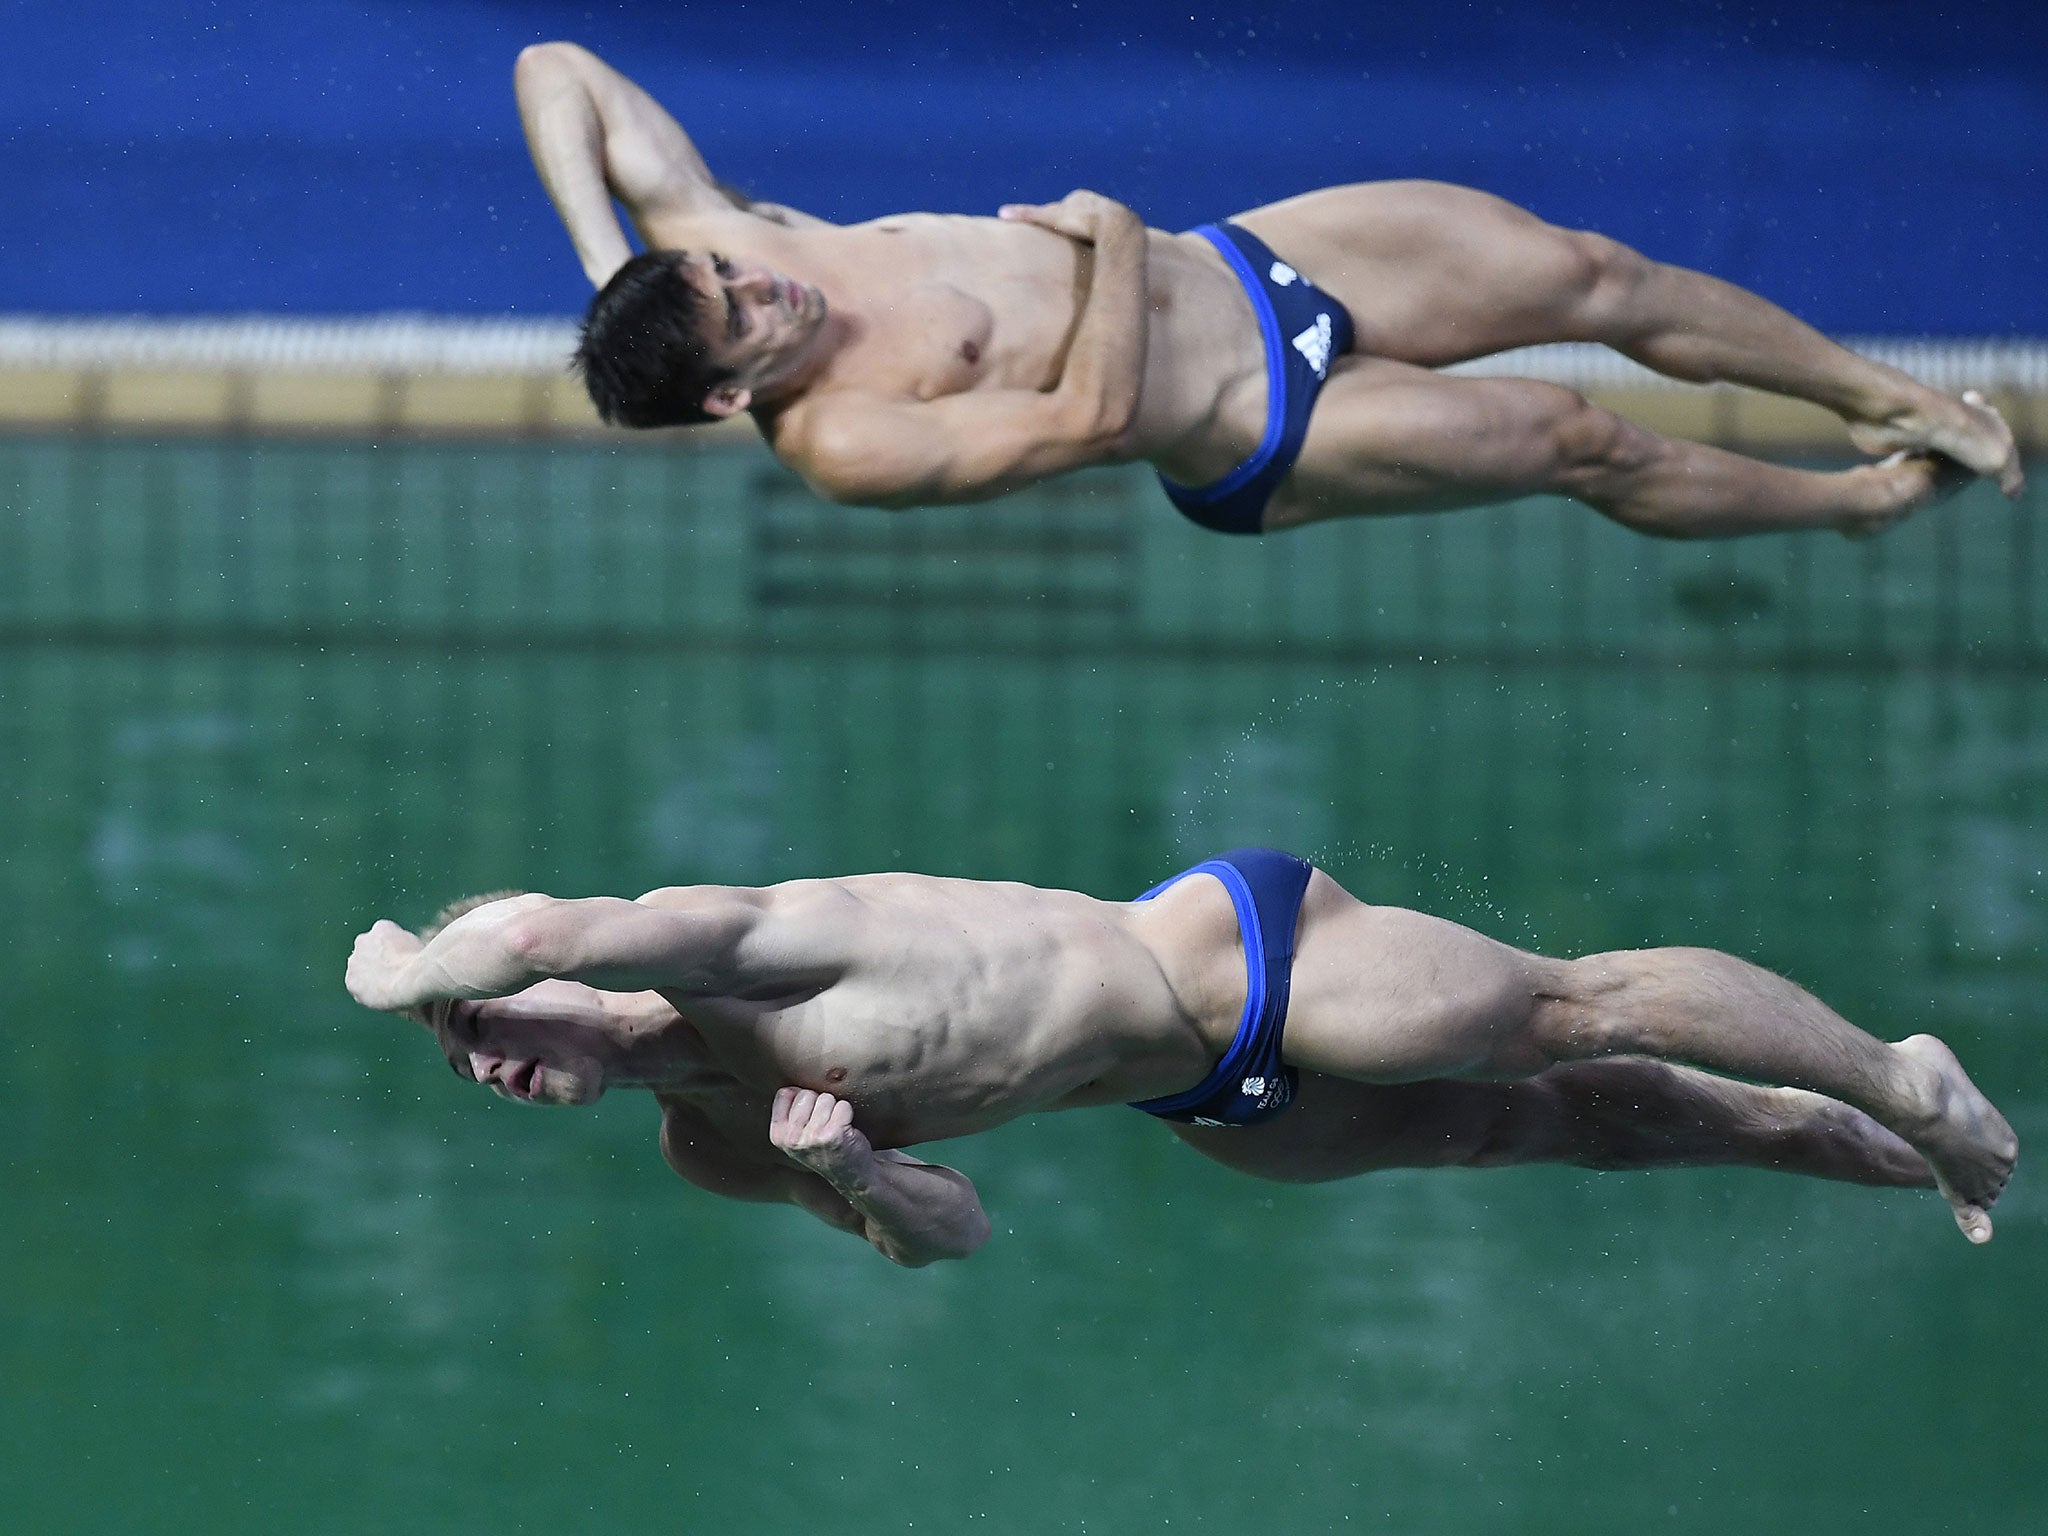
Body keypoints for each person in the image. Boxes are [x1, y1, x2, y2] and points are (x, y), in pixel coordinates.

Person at [516, 42, 2023, 541]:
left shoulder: (726, 237)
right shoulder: (849, 444)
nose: (763, 279)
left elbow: (557, 69)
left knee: (1595, 275)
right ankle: (1859, 506)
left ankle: (1889, 398)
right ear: (730, 397)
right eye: (741, 315)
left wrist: (614, 265)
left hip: (1255, 256)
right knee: (1580, 439)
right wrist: (1111, 237)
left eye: (723, 266)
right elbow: (1098, 419)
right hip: (1262, 423)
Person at [344, 848, 2016, 1267]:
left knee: (1565, 1016)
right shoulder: (710, 1141)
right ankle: (1856, 1148)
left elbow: (548, 924)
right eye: (452, 1054)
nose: (474, 1051)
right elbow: (950, 1236)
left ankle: (1896, 1072)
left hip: (1222, 960)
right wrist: (849, 1169)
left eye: (478, 1018)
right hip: (1190, 1095)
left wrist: (405, 971)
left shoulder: (736, 945)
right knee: (1541, 1134)